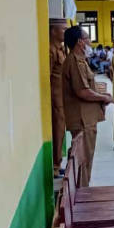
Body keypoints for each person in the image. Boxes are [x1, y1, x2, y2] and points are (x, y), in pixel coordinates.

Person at [62, 26, 113, 187]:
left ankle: (82, 190)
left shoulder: (80, 61)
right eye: (87, 39)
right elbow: (83, 92)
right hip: (82, 119)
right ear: (79, 42)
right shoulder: (75, 62)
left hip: (86, 117)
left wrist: (101, 95)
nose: (90, 42)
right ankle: (82, 194)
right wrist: (104, 97)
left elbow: (88, 87)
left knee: (86, 157)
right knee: (83, 160)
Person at [49, 18, 68, 177]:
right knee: (58, 129)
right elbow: (47, 77)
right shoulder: (51, 50)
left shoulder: (61, 48)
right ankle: (55, 166)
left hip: (62, 96)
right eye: (63, 29)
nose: (65, 32)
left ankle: (58, 162)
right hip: (56, 99)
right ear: (53, 31)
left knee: (61, 130)